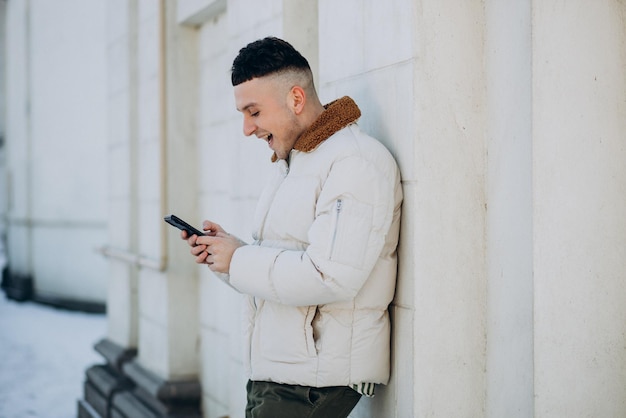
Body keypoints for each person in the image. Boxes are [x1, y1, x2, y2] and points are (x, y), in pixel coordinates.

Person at [182, 37, 403, 418]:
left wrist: (240, 259)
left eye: (254, 112)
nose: (247, 129)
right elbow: (277, 269)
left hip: (314, 383)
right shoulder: (295, 163)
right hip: (281, 373)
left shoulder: (355, 163)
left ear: (296, 99)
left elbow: (329, 276)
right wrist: (226, 255)